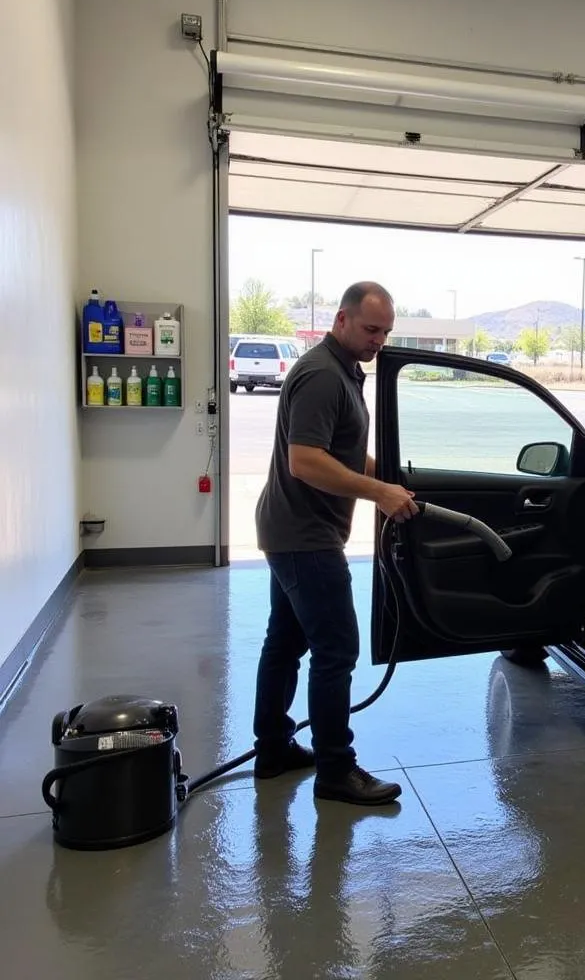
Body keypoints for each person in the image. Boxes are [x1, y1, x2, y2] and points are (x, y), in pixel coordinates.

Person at [251, 281, 419, 805]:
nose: (379, 340)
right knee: (336, 648)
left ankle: (274, 748)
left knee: (286, 640)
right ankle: (335, 770)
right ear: (341, 320)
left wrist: (392, 480)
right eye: (371, 329)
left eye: (387, 331)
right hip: (305, 536)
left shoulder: (344, 371)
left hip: (291, 529)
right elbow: (306, 462)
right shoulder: (324, 375)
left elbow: (338, 453)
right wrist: (378, 493)